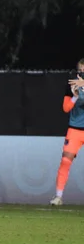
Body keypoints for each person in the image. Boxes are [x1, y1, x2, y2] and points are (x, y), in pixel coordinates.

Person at [50, 61, 84, 205]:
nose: (82, 73)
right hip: (75, 129)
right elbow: (66, 108)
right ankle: (58, 197)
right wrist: (75, 96)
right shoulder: (72, 85)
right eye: (81, 70)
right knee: (65, 161)